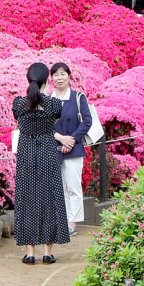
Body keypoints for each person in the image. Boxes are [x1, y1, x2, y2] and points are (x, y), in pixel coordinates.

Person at [12, 62, 70, 264]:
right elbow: (54, 118)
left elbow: (19, 119)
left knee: (27, 199)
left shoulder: (19, 104)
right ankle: (47, 252)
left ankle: (30, 253)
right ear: (48, 80)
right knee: (50, 199)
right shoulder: (54, 104)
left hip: (26, 154)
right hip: (47, 152)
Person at [50, 62, 92, 234]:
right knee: (59, 187)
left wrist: (71, 140)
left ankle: (72, 222)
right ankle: (62, 220)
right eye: (56, 75)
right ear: (51, 78)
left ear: (69, 76)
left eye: (62, 74)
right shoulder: (48, 100)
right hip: (54, 148)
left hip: (74, 149)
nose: (59, 78)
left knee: (73, 187)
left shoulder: (78, 97)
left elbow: (87, 121)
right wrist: (60, 139)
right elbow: (44, 125)